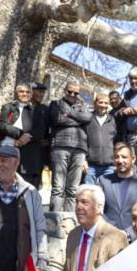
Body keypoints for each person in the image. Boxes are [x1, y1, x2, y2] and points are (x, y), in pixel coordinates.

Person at [63, 184, 128, 271]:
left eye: (84, 202)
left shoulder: (116, 237)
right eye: (77, 202)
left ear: (99, 207)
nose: (78, 207)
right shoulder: (73, 235)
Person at [49, 82, 92, 212]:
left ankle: (69, 221)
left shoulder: (84, 105)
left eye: (76, 93)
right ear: (64, 90)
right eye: (70, 92)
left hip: (79, 148)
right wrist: (79, 120)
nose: (72, 95)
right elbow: (56, 120)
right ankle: (54, 221)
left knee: (73, 189)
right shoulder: (55, 104)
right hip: (60, 146)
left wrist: (69, 114)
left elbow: (88, 118)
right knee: (58, 187)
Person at [0, 83, 49, 188]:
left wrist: (26, 137)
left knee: (26, 183)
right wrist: (20, 135)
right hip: (8, 145)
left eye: (27, 92)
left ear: (31, 94)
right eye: (21, 91)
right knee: (5, 179)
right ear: (16, 93)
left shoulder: (38, 110)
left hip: (29, 149)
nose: (24, 94)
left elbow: (40, 130)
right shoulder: (8, 107)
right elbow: (2, 125)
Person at [97, 142, 137, 234]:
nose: (120, 160)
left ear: (133, 159)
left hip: (135, 237)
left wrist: (128, 233)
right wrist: (114, 231)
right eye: (116, 157)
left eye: (124, 157)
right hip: (109, 236)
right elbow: (98, 209)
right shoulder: (103, 181)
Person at [83, 93, 117, 185]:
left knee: (109, 194)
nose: (103, 105)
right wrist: (83, 160)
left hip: (109, 166)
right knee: (90, 194)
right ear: (95, 103)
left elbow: (116, 141)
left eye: (106, 103)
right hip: (91, 166)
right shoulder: (88, 119)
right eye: (100, 102)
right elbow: (82, 141)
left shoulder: (112, 120)